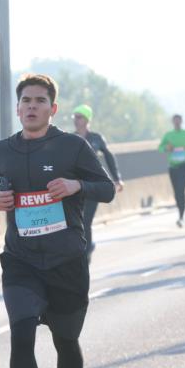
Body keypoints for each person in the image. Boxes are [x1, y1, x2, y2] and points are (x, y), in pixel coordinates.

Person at [0, 74, 115, 368]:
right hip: (21, 261)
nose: (31, 106)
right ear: (18, 107)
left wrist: (77, 186)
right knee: (21, 336)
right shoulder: (2, 150)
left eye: (40, 101)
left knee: (65, 341)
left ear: (52, 108)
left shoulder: (72, 146)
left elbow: (105, 188)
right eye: (25, 100)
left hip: (66, 261)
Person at [71, 104, 123, 262]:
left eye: (79, 117)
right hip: (74, 186)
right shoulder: (70, 139)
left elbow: (108, 157)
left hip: (93, 186)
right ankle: (85, 246)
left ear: (86, 119)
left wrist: (117, 178)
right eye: (74, 117)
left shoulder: (96, 138)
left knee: (86, 221)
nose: (76, 120)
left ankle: (85, 253)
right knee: (76, 221)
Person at [157, 114, 185, 227]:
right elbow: (160, 148)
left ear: (181, 121)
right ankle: (180, 212)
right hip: (173, 167)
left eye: (178, 121)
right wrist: (167, 148)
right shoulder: (168, 135)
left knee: (181, 190)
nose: (177, 123)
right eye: (175, 121)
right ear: (172, 122)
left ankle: (181, 216)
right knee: (176, 192)